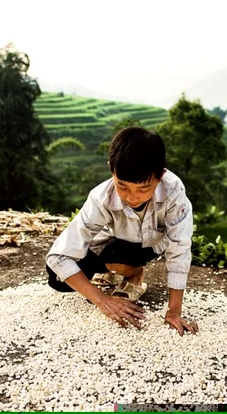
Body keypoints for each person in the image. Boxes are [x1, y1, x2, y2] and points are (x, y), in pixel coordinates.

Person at [45, 126, 198, 335]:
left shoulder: (174, 193)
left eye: (144, 188)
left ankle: (134, 274)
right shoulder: (101, 197)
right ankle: (114, 271)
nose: (132, 197)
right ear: (111, 169)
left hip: (146, 244)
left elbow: (179, 250)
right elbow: (58, 256)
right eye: (122, 186)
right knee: (58, 279)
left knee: (119, 253)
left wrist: (174, 311)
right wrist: (102, 299)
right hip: (109, 244)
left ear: (160, 176)